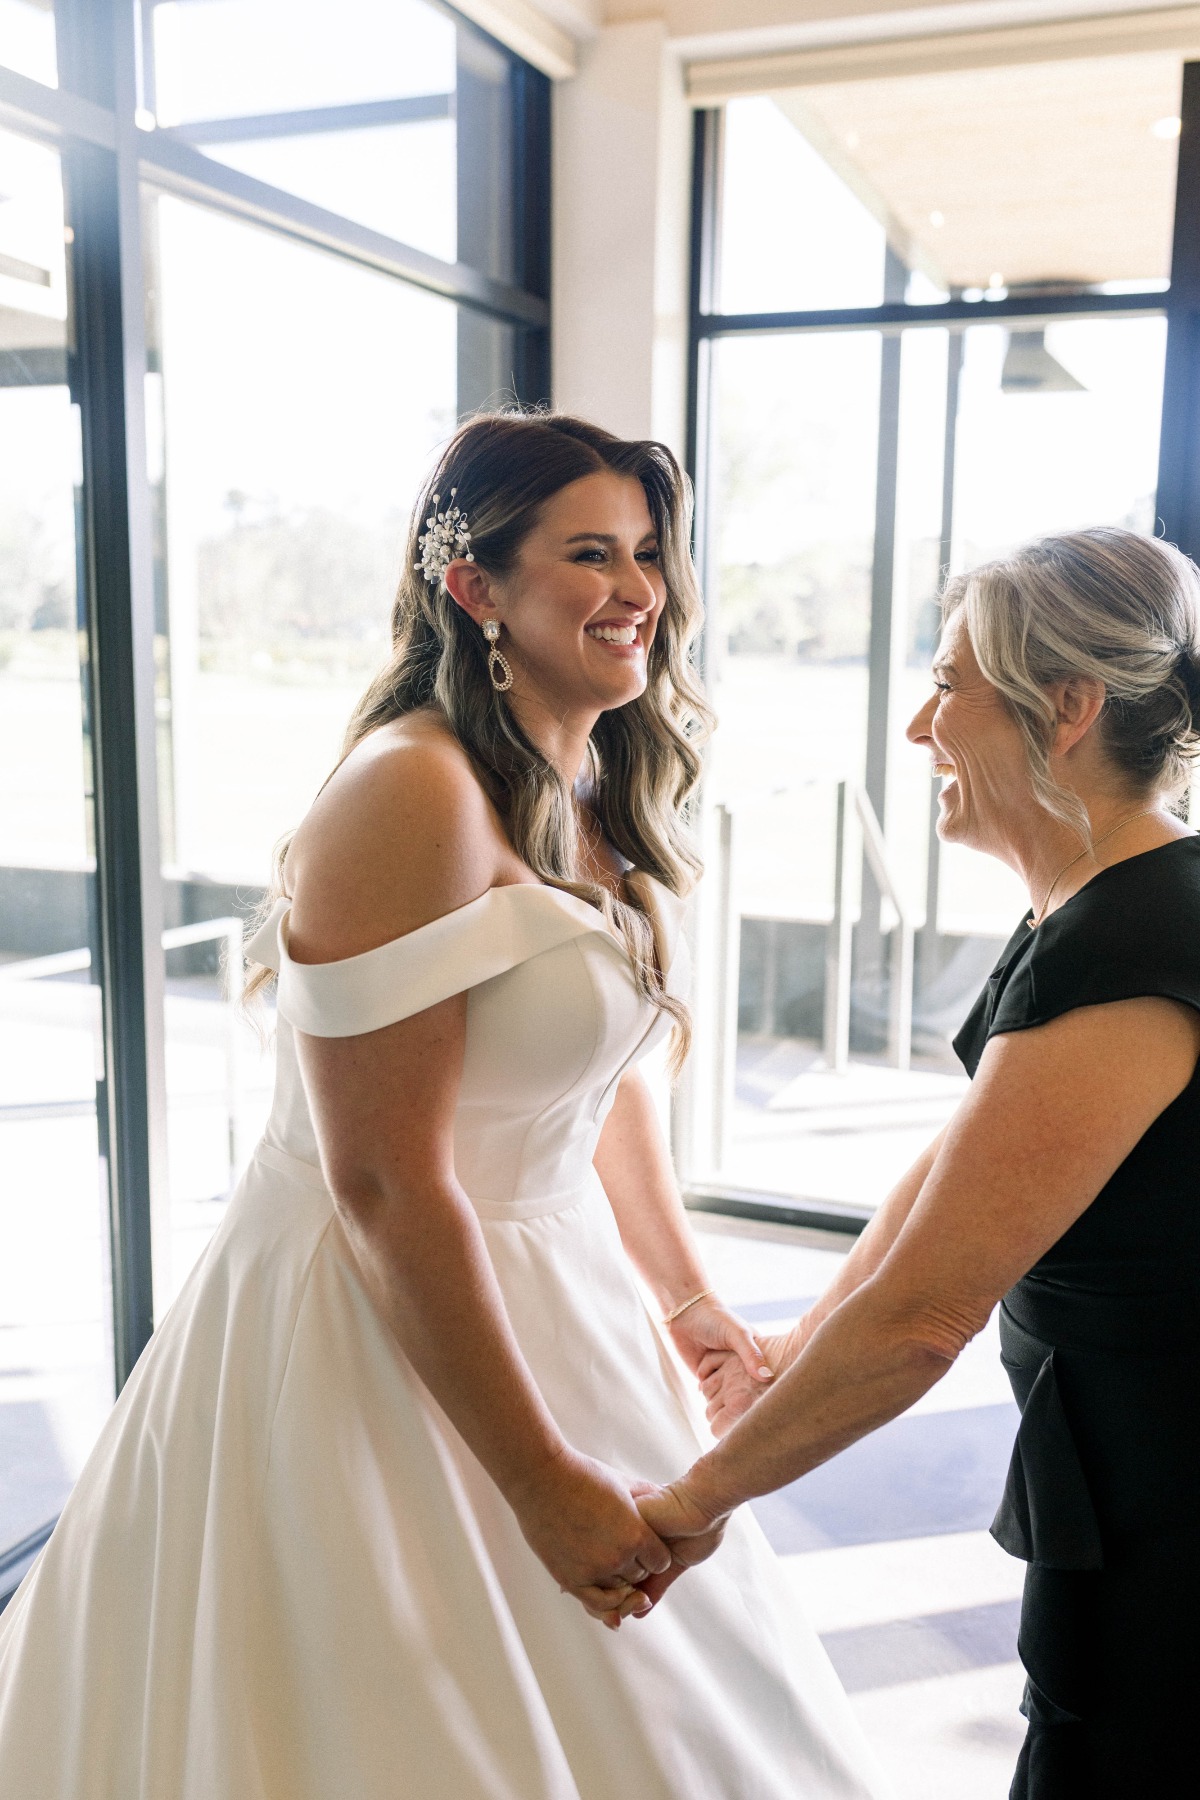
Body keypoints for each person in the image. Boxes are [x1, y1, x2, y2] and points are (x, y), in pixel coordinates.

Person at [0, 411, 890, 1800]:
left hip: (558, 1285)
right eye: (590, 552)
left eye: (649, 552)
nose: (639, 588)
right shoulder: (409, 792)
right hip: (368, 1314)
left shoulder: (587, 774)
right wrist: (534, 1475)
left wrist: (688, 1302)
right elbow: (382, 1184)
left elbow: (596, 1087)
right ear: (474, 585)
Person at [635, 525, 1200, 1798]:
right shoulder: (1104, 903)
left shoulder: (1127, 940)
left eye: (946, 685)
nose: (917, 729)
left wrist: (690, 1504)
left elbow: (927, 1315)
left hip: (1173, 1508)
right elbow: (953, 1176)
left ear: (1065, 708)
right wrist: (787, 1357)